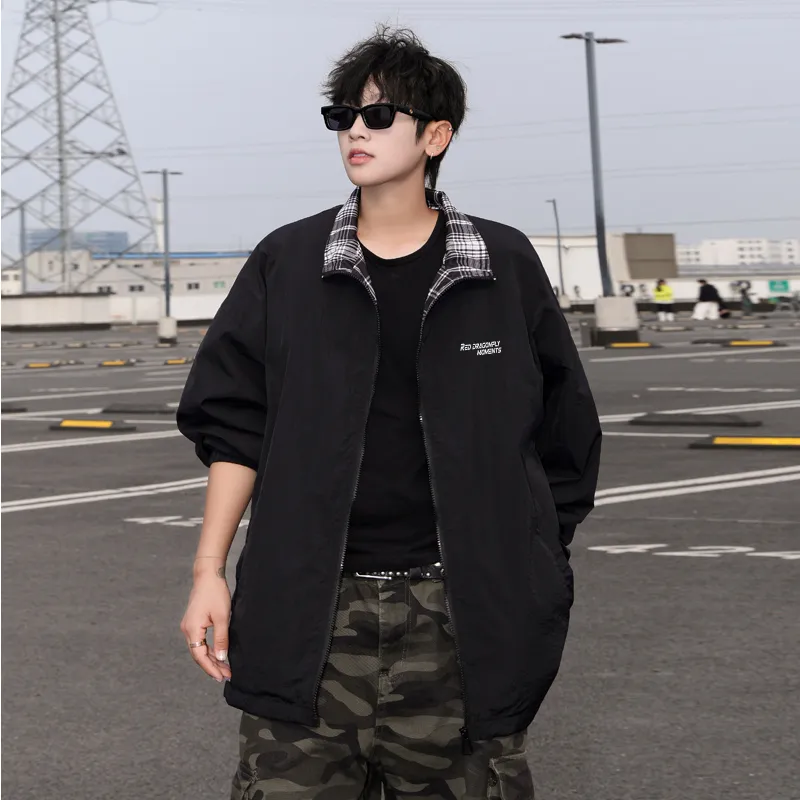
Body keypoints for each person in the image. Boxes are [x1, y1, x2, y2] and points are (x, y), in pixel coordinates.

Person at [176, 26, 601, 800]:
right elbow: (235, 428)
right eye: (342, 117)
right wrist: (209, 571)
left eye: (378, 116)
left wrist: (531, 560)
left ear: (436, 136)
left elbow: (566, 437)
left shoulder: (501, 266)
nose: (356, 134)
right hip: (308, 611)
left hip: (458, 618)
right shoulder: (288, 262)